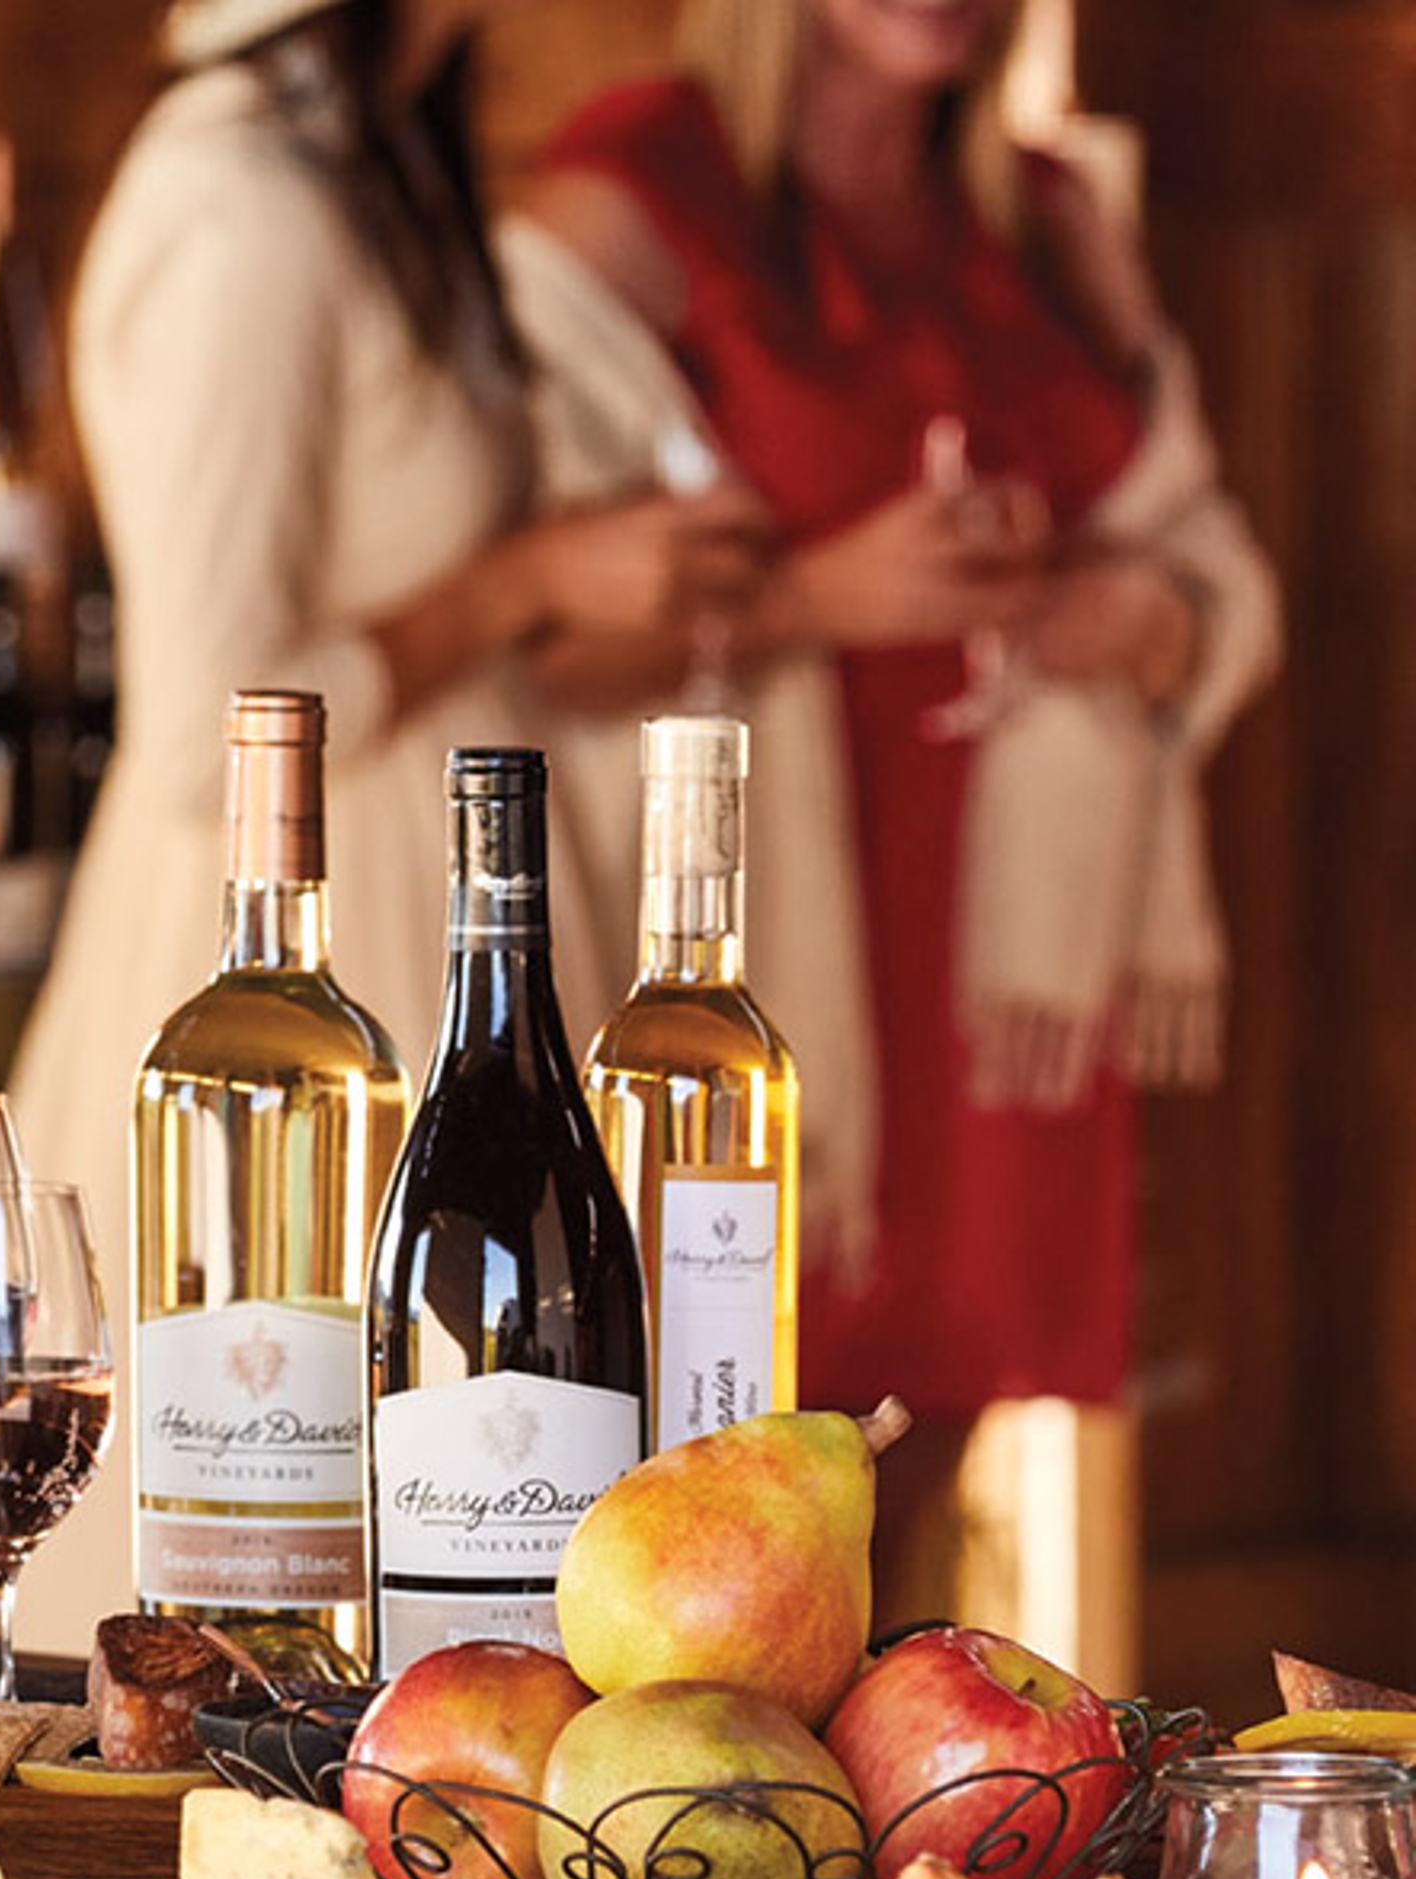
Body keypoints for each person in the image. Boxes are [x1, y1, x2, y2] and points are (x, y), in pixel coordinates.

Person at [0, 0, 771, 1655]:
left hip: (465, 932)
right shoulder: (238, 201)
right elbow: (208, 724)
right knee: (257, 1593)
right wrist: (528, 579)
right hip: (298, 985)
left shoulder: (380, 160)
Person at [518, 0, 1278, 1607]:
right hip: (760, 950)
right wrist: (815, 599)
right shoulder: (634, 201)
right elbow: (513, 632)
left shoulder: (1053, 219)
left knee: (902, 1464)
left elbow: (1206, 550)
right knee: (725, 1452)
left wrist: (1158, 622)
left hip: (1007, 969)